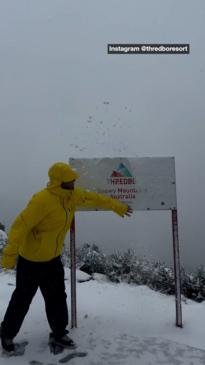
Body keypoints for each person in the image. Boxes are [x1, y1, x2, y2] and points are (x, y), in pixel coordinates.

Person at [0, 162, 133, 354]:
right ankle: (6, 334)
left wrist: (117, 207)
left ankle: (58, 333)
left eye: (73, 180)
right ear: (58, 182)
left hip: (52, 260)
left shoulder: (71, 197)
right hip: (31, 261)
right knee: (21, 299)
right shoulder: (41, 200)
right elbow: (21, 226)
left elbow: (94, 198)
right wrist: (9, 256)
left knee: (57, 298)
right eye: (69, 181)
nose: (73, 183)